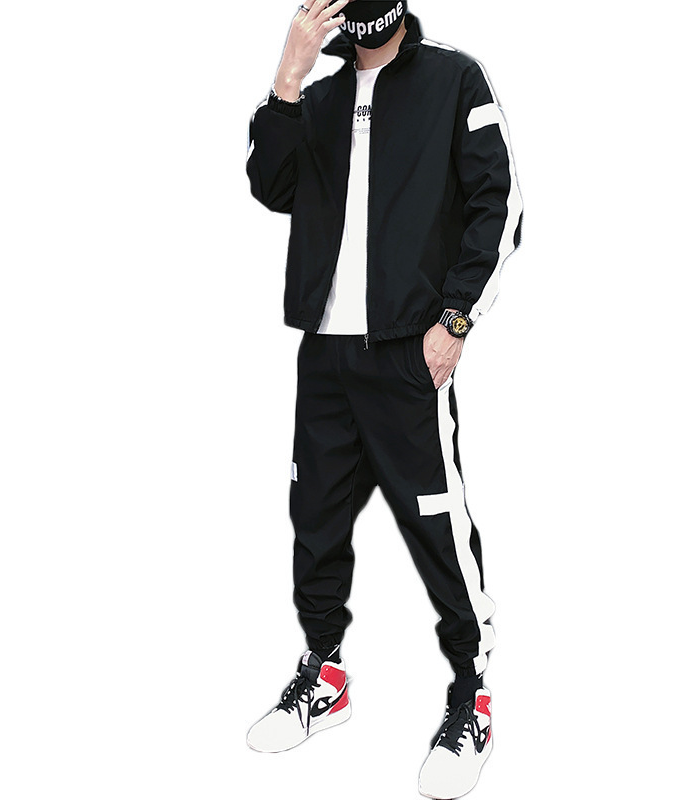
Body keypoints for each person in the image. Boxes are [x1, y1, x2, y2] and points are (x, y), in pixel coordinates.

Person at [244, 2, 522, 797]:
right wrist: (288, 75)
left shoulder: (453, 80)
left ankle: (473, 693)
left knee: (437, 522)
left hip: (408, 349)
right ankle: (324, 674)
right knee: (315, 519)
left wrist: (456, 319)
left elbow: (499, 203)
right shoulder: (318, 97)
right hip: (324, 352)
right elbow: (270, 185)